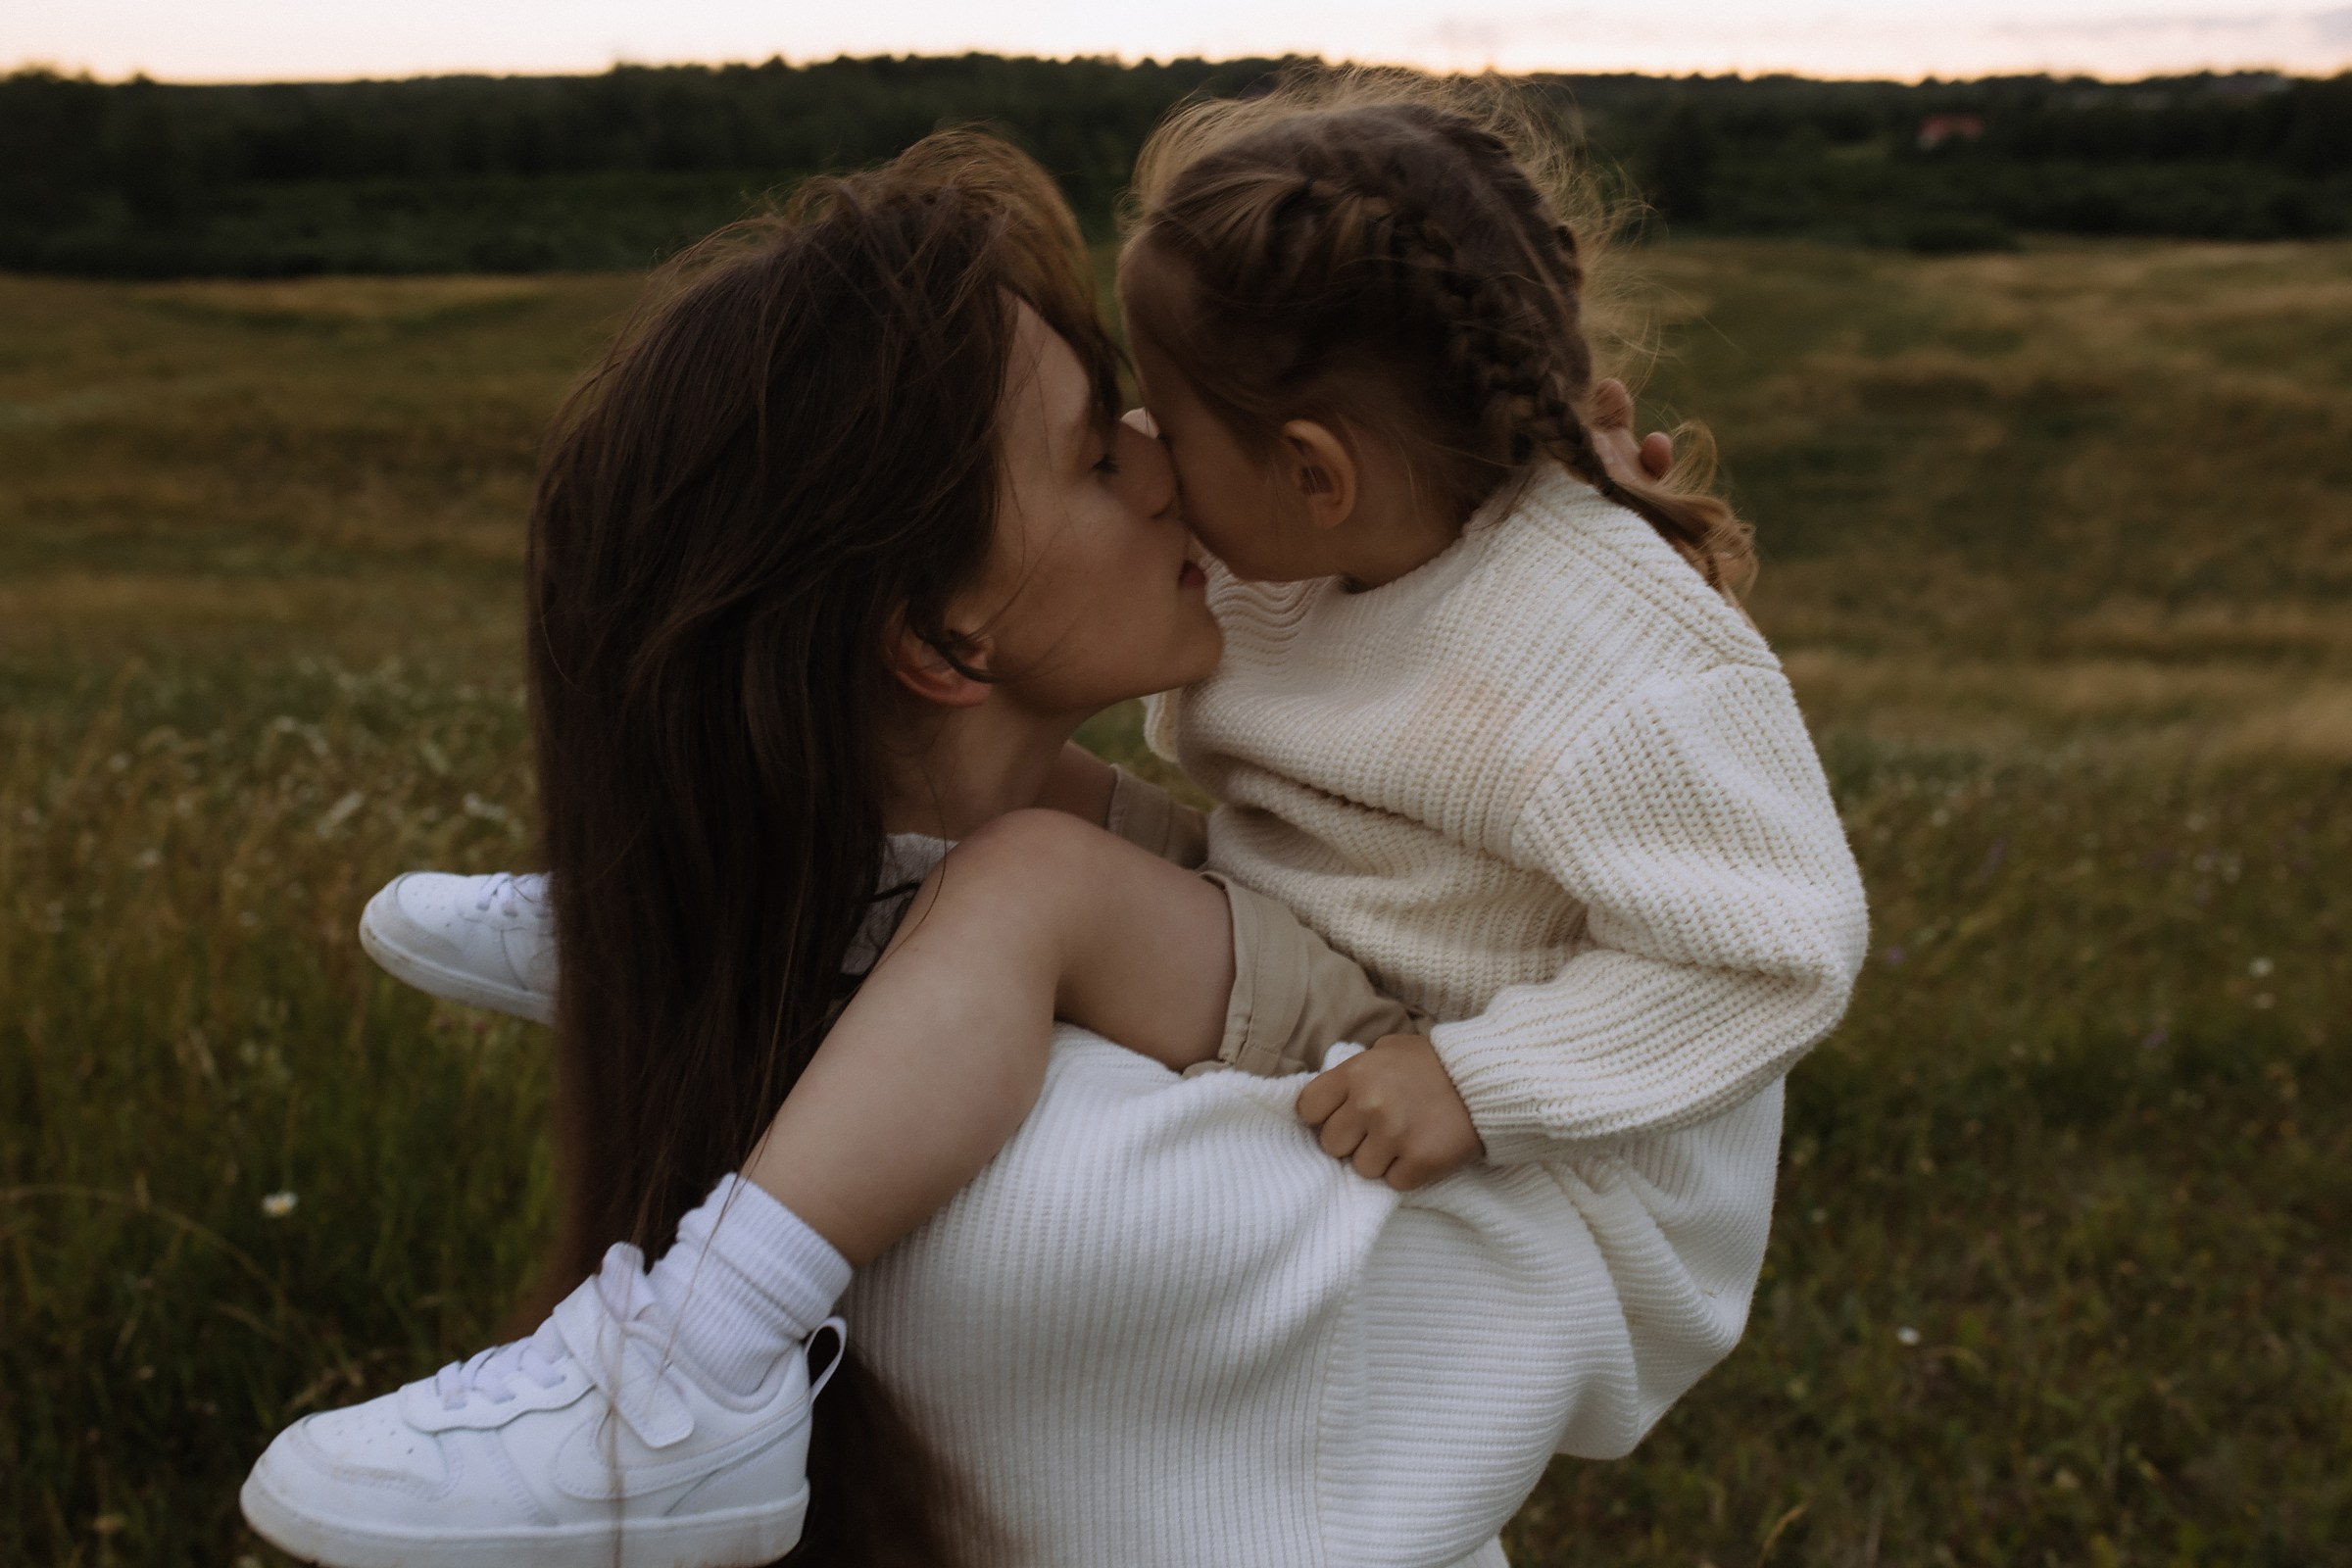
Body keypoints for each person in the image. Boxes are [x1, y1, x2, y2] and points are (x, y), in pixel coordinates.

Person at [244, 75, 1866, 1568]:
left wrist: (1485, 1077)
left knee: (1030, 876)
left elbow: (1773, 946)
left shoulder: (1586, 655)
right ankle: (750, 909)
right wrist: (1518, 477)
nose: (1157, 466)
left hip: (1459, 1039)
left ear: (1312, 473)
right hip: (1335, 933)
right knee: (1064, 830)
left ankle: (690, 1356)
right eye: (1105, 446)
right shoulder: (1361, 521)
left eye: (1142, 425)